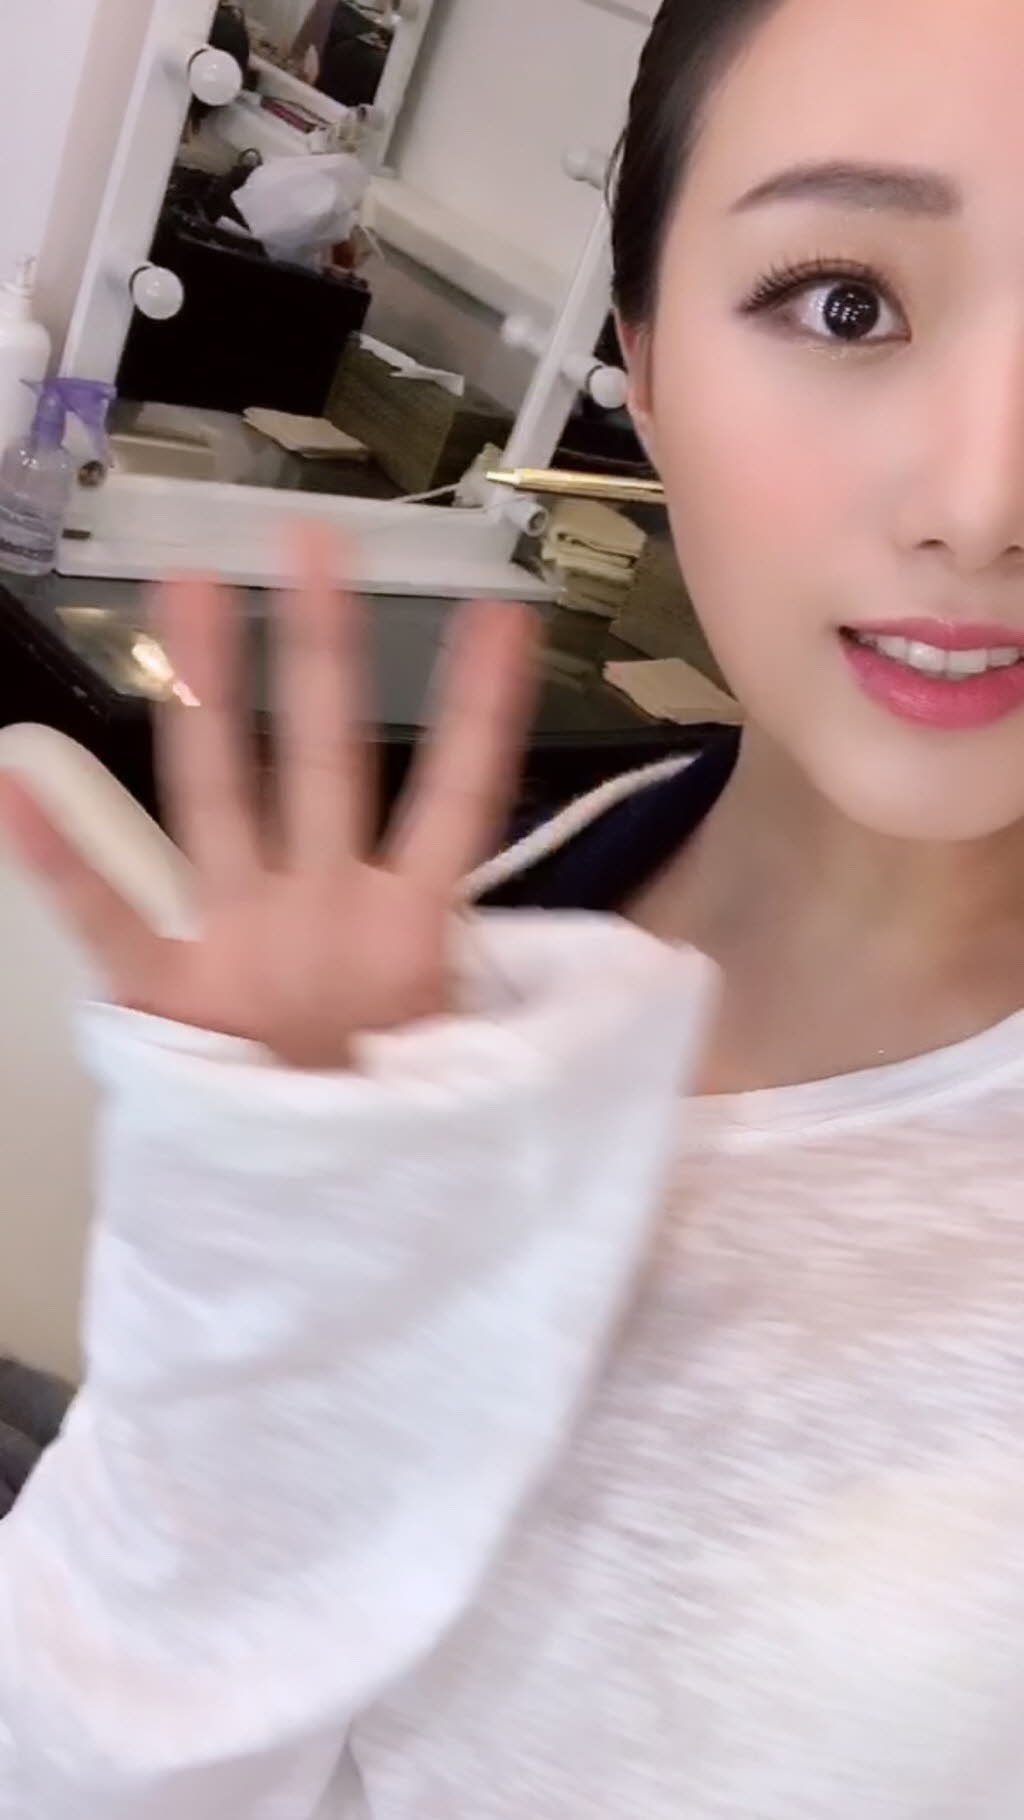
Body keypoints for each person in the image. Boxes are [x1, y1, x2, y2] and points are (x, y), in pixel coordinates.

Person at [2, 0, 1024, 1810]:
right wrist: (253, 1284)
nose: (981, 499)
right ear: (647, 361)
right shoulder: (500, 949)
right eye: (845, 304)